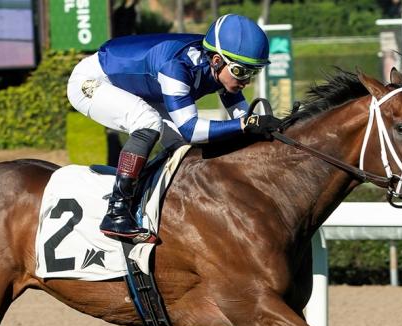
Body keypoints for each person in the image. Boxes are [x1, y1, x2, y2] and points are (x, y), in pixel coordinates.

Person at [67, 14, 283, 243]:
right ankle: (116, 211)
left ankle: (159, 202)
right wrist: (245, 124)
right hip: (92, 81)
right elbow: (192, 128)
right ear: (217, 60)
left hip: (137, 86)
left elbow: (244, 119)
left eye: (253, 72)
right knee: (149, 122)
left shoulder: (217, 66)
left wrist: (266, 129)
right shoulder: (176, 67)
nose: (246, 81)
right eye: (241, 71)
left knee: (182, 146)